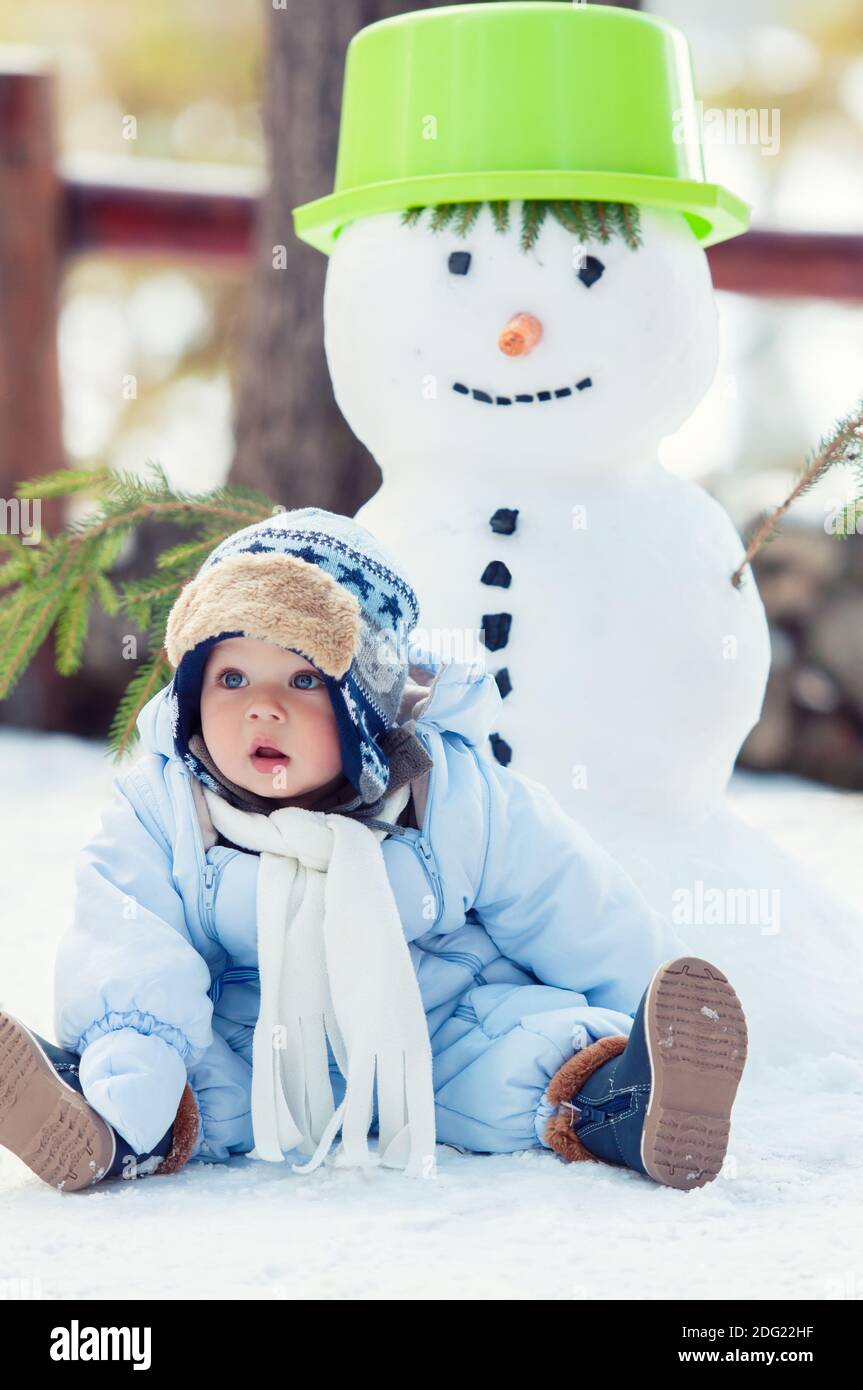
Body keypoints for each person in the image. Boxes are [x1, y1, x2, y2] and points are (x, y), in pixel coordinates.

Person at [0, 508, 747, 1193]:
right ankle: (98, 1124)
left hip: (437, 1032)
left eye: (301, 678)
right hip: (256, 1050)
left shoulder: (451, 793)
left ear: (367, 697)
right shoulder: (165, 805)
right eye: (231, 678)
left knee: (534, 1060)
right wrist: (138, 1056)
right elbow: (130, 939)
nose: (262, 706)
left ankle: (637, 1100)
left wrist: (645, 1001)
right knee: (171, 1078)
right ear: (194, 693)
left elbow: (572, 900)